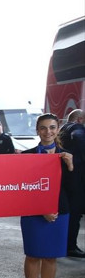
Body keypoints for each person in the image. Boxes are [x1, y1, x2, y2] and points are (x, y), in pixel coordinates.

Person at [20, 114, 75, 278]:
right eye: (43, 128)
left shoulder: (67, 156)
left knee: (51, 258)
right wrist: (41, 209)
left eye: (52, 127)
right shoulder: (27, 156)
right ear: (37, 130)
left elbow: (73, 190)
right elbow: (24, 189)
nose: (48, 132)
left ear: (58, 129)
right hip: (33, 213)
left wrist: (70, 166)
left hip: (60, 212)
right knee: (33, 255)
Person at [59, 109, 84, 257]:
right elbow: (80, 137)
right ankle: (71, 246)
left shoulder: (62, 129)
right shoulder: (76, 128)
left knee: (65, 212)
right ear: (79, 119)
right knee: (75, 213)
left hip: (64, 178)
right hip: (76, 178)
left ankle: (62, 244)